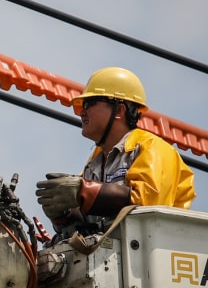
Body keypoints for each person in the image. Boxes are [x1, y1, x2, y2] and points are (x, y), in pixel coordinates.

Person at [35, 67, 196, 239]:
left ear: (119, 111)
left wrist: (83, 192)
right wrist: (64, 215)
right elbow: (88, 223)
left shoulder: (152, 149)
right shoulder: (95, 162)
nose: (82, 112)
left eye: (89, 104)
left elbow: (149, 204)